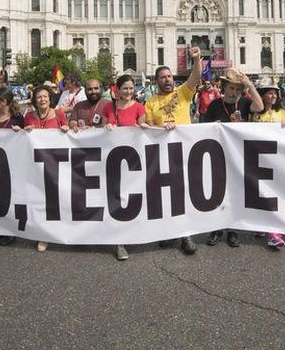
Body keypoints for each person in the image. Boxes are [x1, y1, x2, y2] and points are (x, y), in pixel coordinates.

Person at [145, 46, 203, 255]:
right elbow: (149, 126)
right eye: (163, 77)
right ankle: (169, 230)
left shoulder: (183, 93)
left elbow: (195, 78)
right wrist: (161, 128)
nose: (168, 80)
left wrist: (197, 60)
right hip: (163, 153)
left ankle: (186, 234)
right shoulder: (150, 103)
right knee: (167, 194)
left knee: (184, 193)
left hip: (185, 151)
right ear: (156, 81)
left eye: (169, 76)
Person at [202, 68, 264, 248]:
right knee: (219, 195)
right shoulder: (214, 106)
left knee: (236, 194)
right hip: (219, 157)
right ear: (223, 88)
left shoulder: (244, 103)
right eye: (231, 89)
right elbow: (204, 129)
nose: (234, 93)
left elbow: (259, 107)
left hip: (239, 157)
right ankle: (216, 229)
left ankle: (233, 231)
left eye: (238, 89)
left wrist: (249, 84)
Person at [100, 74, 149, 260]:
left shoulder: (139, 106)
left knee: (133, 198)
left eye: (131, 88)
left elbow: (145, 126)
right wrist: (107, 128)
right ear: (117, 90)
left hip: (133, 161)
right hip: (111, 159)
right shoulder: (108, 107)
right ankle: (119, 241)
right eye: (125, 88)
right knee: (115, 197)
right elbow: (101, 131)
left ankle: (135, 232)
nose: (129, 92)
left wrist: (142, 126)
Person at [24, 83, 69, 252]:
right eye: (39, 97)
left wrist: (66, 129)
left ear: (50, 99)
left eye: (45, 97)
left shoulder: (58, 114)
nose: (42, 100)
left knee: (58, 199)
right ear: (35, 100)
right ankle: (44, 235)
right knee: (39, 200)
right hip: (36, 165)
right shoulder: (29, 116)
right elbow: (23, 138)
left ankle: (62, 229)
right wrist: (24, 131)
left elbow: (69, 133)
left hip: (57, 164)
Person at [247, 79, 285, 248]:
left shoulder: (282, 113)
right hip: (258, 158)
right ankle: (261, 224)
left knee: (274, 194)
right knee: (260, 192)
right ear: (262, 95)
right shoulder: (256, 112)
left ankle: (274, 233)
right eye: (269, 93)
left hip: (277, 159)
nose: (273, 96)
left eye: (275, 93)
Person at [0, 86, 25, 248]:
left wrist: (20, 131)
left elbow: (26, 137)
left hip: (13, 165)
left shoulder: (18, 118)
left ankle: (10, 232)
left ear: (4, 102)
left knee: (10, 198)